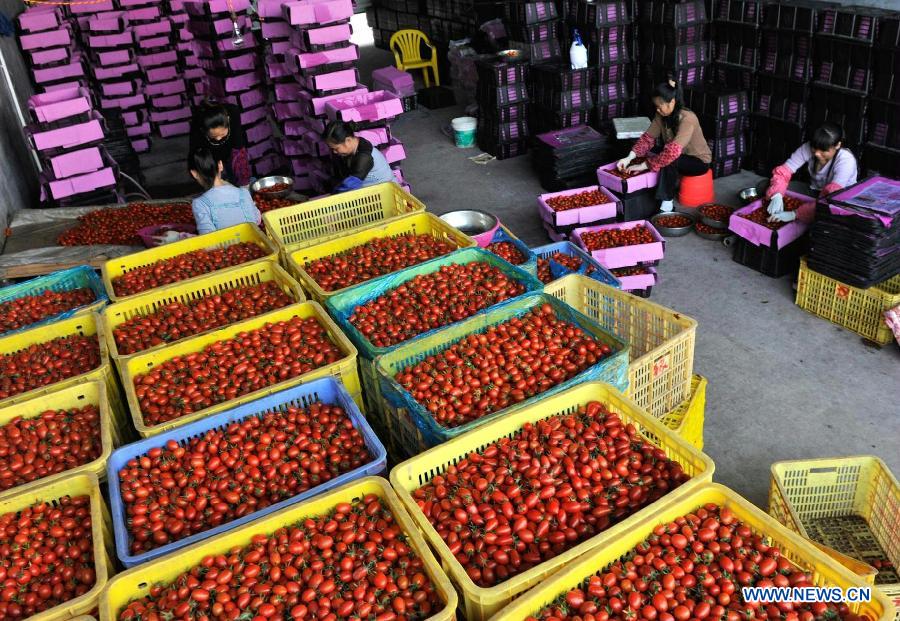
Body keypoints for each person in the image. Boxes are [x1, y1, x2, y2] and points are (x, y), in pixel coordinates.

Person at [617, 79, 712, 213]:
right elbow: (647, 138)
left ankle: (666, 205)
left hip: (698, 162)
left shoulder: (688, 119)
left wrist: (644, 165)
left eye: (660, 105)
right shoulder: (660, 115)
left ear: (672, 102)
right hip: (679, 155)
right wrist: (629, 158)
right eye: (655, 105)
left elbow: (672, 152)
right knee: (654, 152)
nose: (657, 109)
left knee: (668, 160)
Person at [764, 122, 858, 224]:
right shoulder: (809, 147)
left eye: (823, 150)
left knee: (825, 219)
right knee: (766, 186)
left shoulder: (846, 160)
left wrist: (795, 214)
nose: (817, 153)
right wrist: (777, 194)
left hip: (837, 200)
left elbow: (831, 197)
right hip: (815, 191)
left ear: (838, 145)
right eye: (815, 148)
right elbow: (784, 171)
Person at [188, 147, 261, 235]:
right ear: (220, 165)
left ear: (194, 173)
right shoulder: (244, 193)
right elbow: (257, 220)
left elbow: (208, 237)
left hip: (227, 247)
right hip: (255, 244)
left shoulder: (199, 204)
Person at [189, 100, 251, 187]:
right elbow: (196, 156)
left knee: (240, 181)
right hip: (212, 154)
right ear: (204, 131)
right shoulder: (198, 128)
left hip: (231, 150)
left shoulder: (233, 113)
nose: (218, 139)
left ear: (228, 121)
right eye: (214, 136)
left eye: (222, 134)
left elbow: (239, 148)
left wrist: (244, 181)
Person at [322, 120, 394, 192]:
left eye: (336, 148)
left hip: (386, 192)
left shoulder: (365, 158)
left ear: (348, 140)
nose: (334, 152)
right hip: (371, 190)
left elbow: (350, 185)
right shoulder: (356, 145)